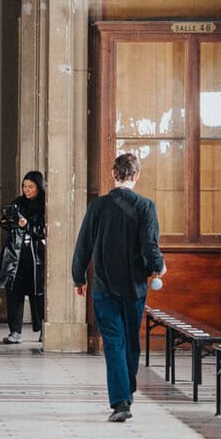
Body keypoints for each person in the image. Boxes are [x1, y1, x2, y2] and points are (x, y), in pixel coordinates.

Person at [70, 152, 164, 422]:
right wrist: (159, 266)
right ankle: (126, 390)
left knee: (113, 342)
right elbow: (150, 244)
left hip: (104, 286)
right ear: (137, 175)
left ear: (113, 173)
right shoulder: (146, 206)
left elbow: (83, 244)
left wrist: (79, 278)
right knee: (131, 340)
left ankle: (121, 400)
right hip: (134, 287)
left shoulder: (97, 206)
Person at [0, 171, 46, 344]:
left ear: (38, 187)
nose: (27, 190)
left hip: (36, 256)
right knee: (14, 292)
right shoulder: (17, 202)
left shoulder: (44, 204)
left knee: (38, 293)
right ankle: (15, 331)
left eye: (31, 186)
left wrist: (28, 225)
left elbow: (43, 230)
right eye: (24, 186)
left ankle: (43, 330)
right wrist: (11, 220)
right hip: (16, 255)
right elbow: (6, 223)